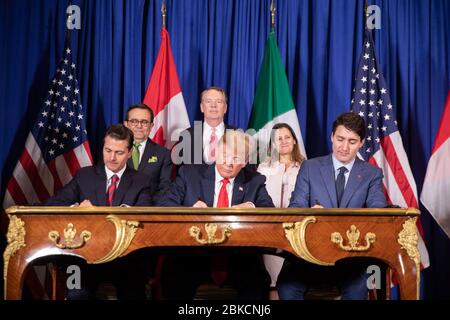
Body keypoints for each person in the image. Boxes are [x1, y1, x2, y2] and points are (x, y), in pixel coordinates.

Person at [277, 112, 387, 300]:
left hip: (352, 260)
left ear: (361, 143)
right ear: (331, 137)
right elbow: (295, 208)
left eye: (352, 142)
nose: (344, 147)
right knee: (286, 287)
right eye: (340, 139)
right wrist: (309, 213)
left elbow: (378, 217)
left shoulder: (372, 174)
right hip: (307, 256)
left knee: (359, 290)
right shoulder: (310, 167)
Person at [157, 130, 273, 299]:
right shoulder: (189, 174)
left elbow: (270, 212)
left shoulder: (254, 181)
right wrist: (188, 212)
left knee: (257, 283)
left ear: (245, 161)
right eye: (225, 155)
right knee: (174, 278)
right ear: (216, 152)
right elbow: (164, 205)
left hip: (239, 257)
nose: (228, 163)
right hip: (192, 255)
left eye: (236, 158)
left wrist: (250, 206)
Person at [45, 124, 156, 299]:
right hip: (84, 259)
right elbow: (53, 205)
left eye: (119, 153)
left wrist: (107, 212)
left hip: (126, 259)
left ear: (129, 153)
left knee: (133, 294)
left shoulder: (142, 181)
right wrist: (76, 209)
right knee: (76, 294)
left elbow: (144, 214)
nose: (112, 158)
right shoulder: (84, 175)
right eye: (108, 150)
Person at [257, 123, 305, 299]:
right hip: (269, 228)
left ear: (294, 140)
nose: (283, 141)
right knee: (271, 280)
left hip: (296, 229)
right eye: (278, 138)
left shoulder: (306, 167)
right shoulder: (263, 167)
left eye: (287, 137)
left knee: (290, 279)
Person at [172, 86, 236, 165]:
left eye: (219, 101)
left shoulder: (237, 135)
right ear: (202, 107)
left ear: (225, 108)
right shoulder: (187, 135)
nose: (213, 105)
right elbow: (180, 170)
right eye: (208, 101)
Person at [124, 104, 172, 195]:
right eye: (134, 121)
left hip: (149, 207)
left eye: (144, 122)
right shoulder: (113, 151)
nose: (139, 126)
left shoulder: (163, 154)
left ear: (151, 126)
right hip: (119, 207)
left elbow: (165, 188)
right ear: (126, 124)